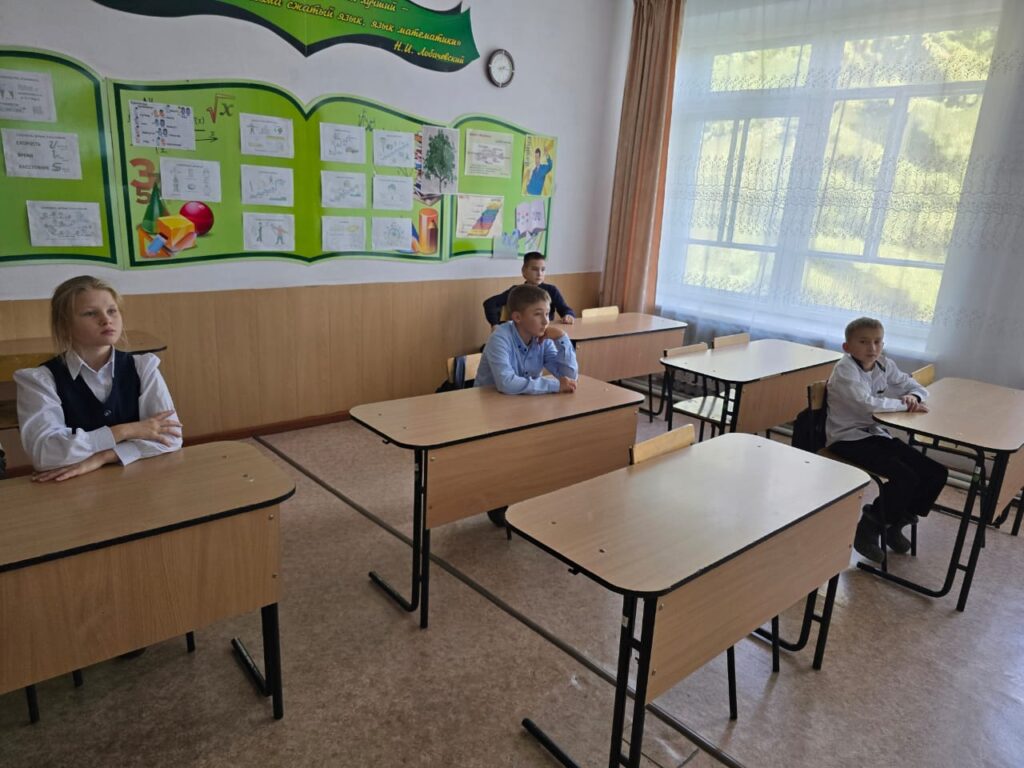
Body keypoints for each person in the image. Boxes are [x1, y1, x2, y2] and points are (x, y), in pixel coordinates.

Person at [15, 275, 182, 483]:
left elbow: (171, 438)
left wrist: (103, 457)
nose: (106, 320)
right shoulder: (41, 380)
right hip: (73, 488)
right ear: (64, 325)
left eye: (112, 311)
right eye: (90, 313)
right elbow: (45, 455)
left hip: (138, 479)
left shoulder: (142, 367)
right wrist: (125, 431)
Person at [825, 317, 947, 562]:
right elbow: (866, 404)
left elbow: (914, 386)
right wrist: (903, 405)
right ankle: (869, 528)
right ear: (847, 347)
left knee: (936, 473)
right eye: (863, 342)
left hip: (875, 434)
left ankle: (895, 525)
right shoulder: (845, 370)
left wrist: (913, 397)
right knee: (905, 477)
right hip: (847, 439)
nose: (872, 348)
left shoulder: (883, 364)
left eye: (877, 342)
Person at [475, 284, 579, 527]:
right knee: (509, 453)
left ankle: (528, 495)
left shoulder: (542, 339)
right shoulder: (500, 337)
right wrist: (553, 385)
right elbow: (507, 384)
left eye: (548, 313)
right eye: (538, 314)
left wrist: (562, 338)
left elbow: (569, 376)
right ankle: (499, 501)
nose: (546, 321)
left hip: (524, 404)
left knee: (546, 445)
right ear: (517, 317)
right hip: (488, 409)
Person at [482, 251, 575, 330]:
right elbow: (490, 303)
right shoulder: (516, 291)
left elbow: (565, 309)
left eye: (543, 269)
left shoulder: (551, 290)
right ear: (524, 271)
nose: (539, 273)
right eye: (534, 269)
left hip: (544, 333)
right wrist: (495, 324)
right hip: (523, 334)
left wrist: (568, 315)